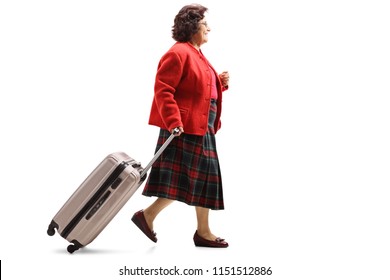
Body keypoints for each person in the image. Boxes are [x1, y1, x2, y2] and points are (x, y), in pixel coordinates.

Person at [131, 4, 230, 248]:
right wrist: (174, 122)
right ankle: (159, 218)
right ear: (193, 26)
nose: (209, 28)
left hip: (200, 127)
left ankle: (163, 220)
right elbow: (164, 90)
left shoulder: (196, 53)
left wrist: (219, 83)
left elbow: (197, 86)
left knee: (201, 180)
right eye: (205, 24)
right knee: (185, 180)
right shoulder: (178, 52)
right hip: (183, 128)